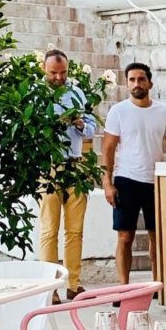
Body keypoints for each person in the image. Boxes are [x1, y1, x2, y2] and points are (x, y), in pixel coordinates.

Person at [101, 62, 166, 286]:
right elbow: (107, 149)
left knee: (157, 237)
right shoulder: (118, 111)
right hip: (126, 180)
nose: (137, 83)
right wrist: (107, 183)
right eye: (132, 80)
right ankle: (123, 287)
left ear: (150, 83)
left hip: (156, 181)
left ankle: (157, 285)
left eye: (141, 79)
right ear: (127, 84)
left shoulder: (164, 112)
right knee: (125, 236)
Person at [36, 49, 97, 299]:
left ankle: (74, 284)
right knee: (49, 229)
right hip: (48, 166)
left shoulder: (77, 93)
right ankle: (50, 288)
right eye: (54, 73)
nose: (59, 77)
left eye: (63, 72)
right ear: (44, 69)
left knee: (75, 230)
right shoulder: (36, 94)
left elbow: (92, 128)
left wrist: (80, 124)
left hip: (75, 164)